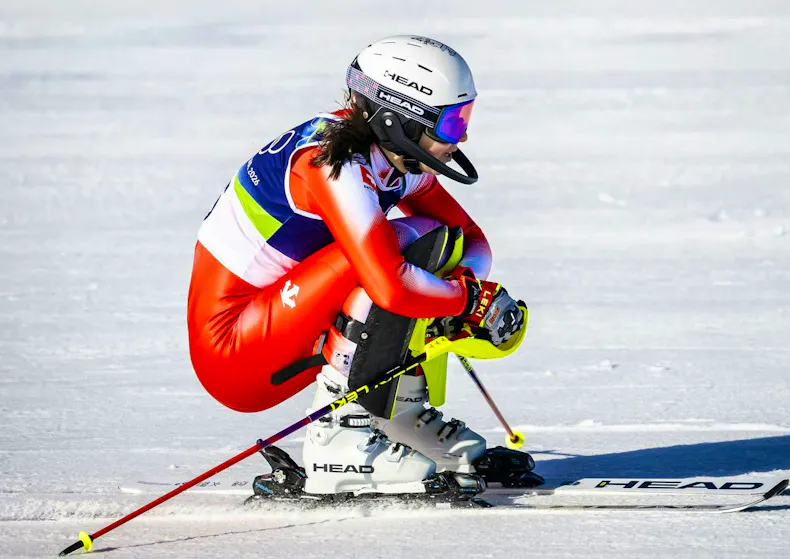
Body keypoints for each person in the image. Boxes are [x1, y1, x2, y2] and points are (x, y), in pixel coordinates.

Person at [186, 35, 539, 499]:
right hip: (234, 349)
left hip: (279, 325)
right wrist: (468, 300)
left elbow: (471, 240)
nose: (463, 137)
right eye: (452, 123)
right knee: (397, 249)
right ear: (398, 118)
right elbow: (391, 287)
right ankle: (336, 441)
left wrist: (463, 291)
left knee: (432, 244)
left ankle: (397, 418)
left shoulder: (394, 153)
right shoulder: (330, 163)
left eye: (465, 118)